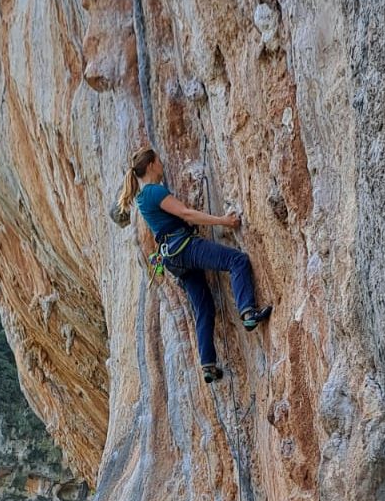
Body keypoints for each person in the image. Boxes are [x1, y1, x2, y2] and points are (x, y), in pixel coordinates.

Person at [116, 146, 272, 383]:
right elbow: (186, 214)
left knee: (204, 306)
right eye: (159, 161)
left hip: (173, 258)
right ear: (151, 165)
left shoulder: (141, 198)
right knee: (237, 260)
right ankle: (248, 312)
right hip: (185, 248)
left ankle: (208, 365)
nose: (162, 164)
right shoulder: (154, 192)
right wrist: (223, 221)